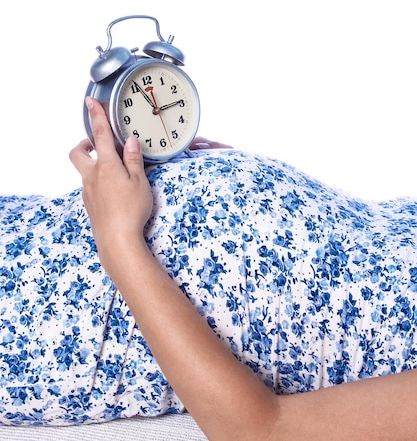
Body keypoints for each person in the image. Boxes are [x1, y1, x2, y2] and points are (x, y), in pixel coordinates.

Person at [1, 97, 416, 439]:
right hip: (67, 217)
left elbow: (265, 431)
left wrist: (119, 241)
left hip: (66, 304)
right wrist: (248, 181)